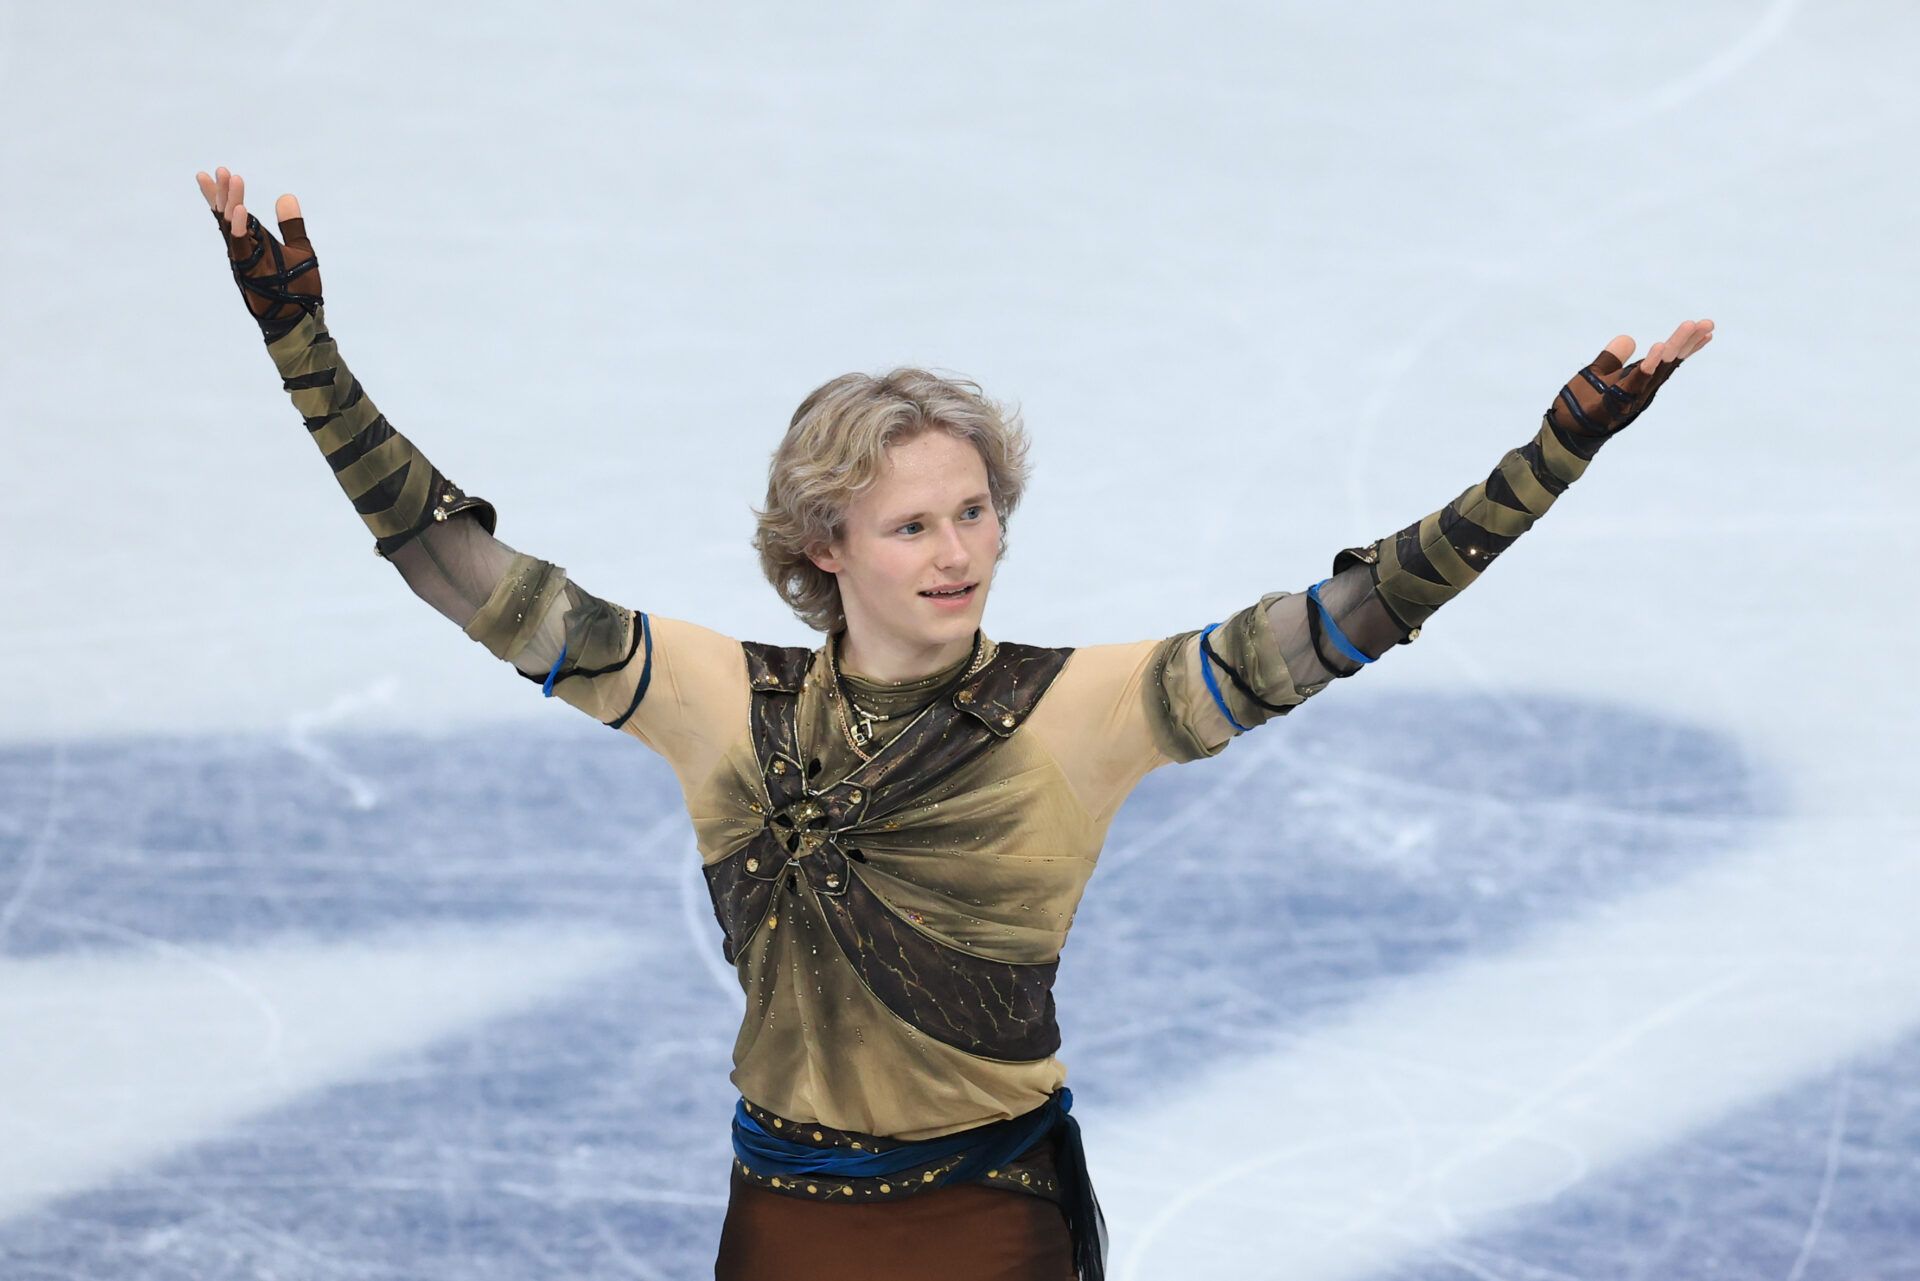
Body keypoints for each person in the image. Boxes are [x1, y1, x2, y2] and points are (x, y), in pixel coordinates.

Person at [194, 166, 1714, 1281]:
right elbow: (461, 572)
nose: (957, 548)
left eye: (975, 509)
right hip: (781, 1223)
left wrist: (1551, 454)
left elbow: (1348, 617)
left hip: (990, 1224)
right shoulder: (721, 701)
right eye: (912, 521)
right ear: (823, 548)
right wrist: (305, 356)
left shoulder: (1084, 711)